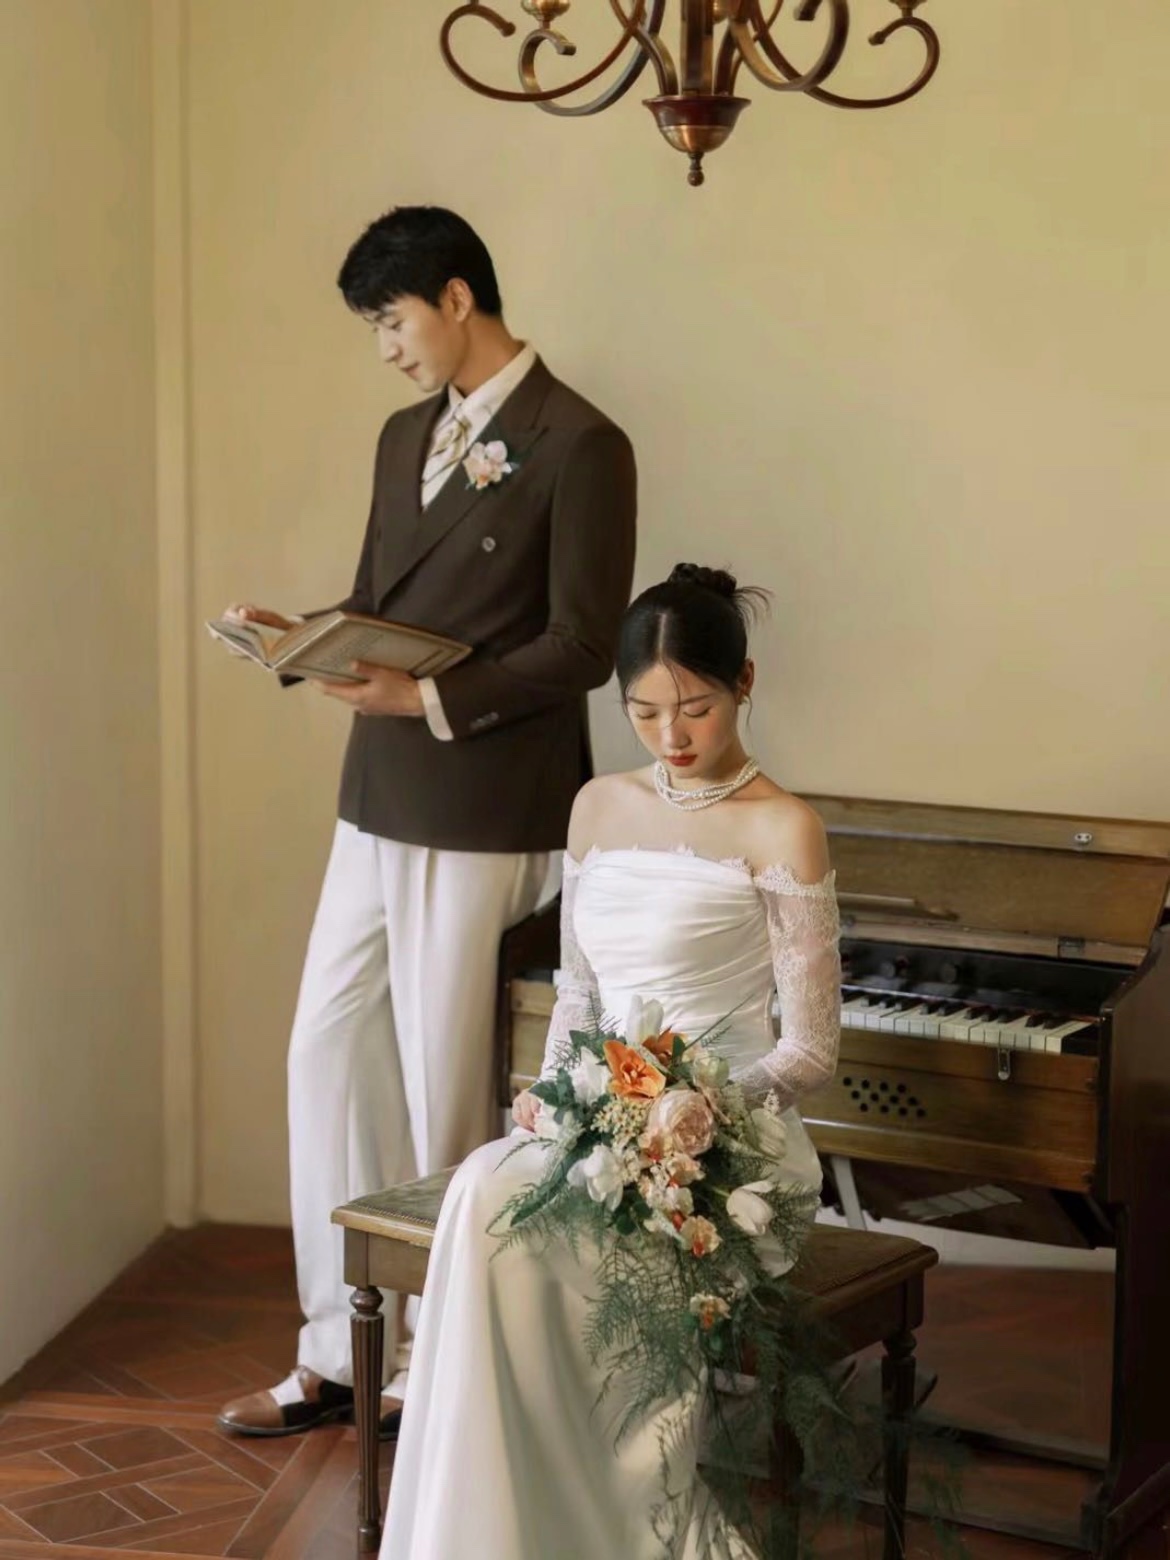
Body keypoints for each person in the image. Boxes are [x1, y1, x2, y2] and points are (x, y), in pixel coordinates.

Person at [216, 206, 637, 1438]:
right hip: (377, 793)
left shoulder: (583, 442)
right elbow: (383, 601)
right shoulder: (403, 434)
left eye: (392, 321)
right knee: (325, 1054)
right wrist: (303, 638)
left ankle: (438, 1358)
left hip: (489, 805)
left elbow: (585, 645)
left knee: (443, 1085)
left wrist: (433, 699)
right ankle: (338, 1348)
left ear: (458, 298)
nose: (387, 349)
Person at [382, 563, 841, 1558]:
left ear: (744, 683)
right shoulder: (595, 805)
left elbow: (809, 1050)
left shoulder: (784, 827)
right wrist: (556, 1094)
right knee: (482, 1193)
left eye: (697, 708)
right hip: (603, 1110)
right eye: (645, 712)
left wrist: (692, 1111)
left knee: (576, 1243)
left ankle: (622, 1525)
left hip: (728, 1144)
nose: (673, 735)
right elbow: (580, 996)